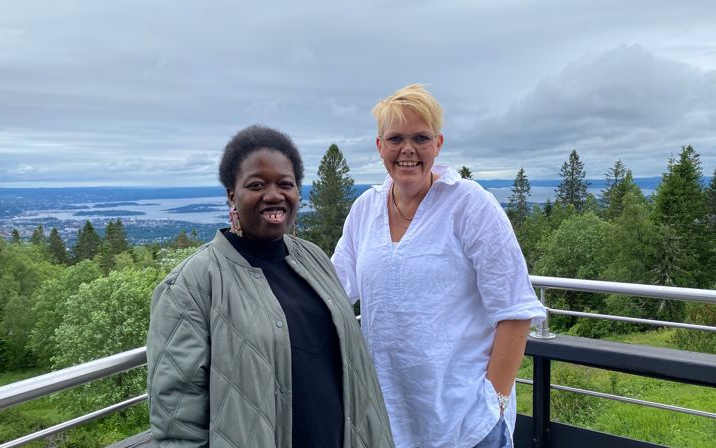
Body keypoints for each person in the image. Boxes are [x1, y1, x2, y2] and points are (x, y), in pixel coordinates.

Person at [146, 125, 394, 448]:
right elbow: (177, 423)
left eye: (285, 184)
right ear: (232, 195)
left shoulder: (314, 260)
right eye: (257, 184)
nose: (274, 194)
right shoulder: (191, 286)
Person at [331, 84, 546, 448]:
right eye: (396, 138)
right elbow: (333, 289)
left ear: (438, 144)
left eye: (421, 137)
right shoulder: (365, 210)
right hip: (386, 420)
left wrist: (494, 403)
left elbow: (514, 310)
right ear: (380, 146)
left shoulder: (470, 205)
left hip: (467, 427)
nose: (408, 150)